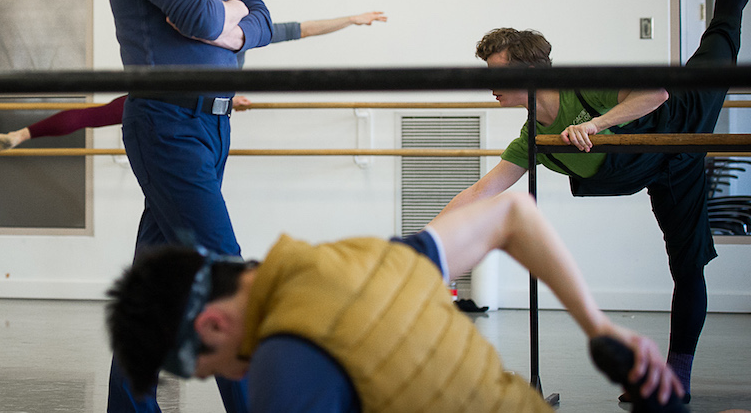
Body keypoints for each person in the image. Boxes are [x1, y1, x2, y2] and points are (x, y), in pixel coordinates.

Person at [439, 0, 751, 402]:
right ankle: (667, 379)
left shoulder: (582, 86)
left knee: (724, 21)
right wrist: (423, 242)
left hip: (685, 117)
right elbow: (481, 192)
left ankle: (677, 374)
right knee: (684, 266)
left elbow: (656, 94)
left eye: (497, 73)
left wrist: (597, 123)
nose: (489, 85)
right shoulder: (533, 138)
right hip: (663, 174)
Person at [105, 190, 684, 412]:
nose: (233, 375)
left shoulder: (281, 369)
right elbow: (513, 214)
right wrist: (600, 328)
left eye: (212, 370)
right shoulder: (361, 257)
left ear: (211, 323)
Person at [103, 0, 274, 412]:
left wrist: (222, 18)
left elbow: (259, 18)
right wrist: (218, 15)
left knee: (156, 285)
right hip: (166, 124)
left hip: (215, 125)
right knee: (229, 277)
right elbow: (199, 14)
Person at [0, 13, 387, 155]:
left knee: (93, 116)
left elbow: (304, 29)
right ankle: (19, 134)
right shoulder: (206, 25)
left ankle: (20, 133)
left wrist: (350, 19)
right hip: (175, 107)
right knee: (93, 116)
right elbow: (302, 29)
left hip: (195, 106)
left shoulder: (245, 30)